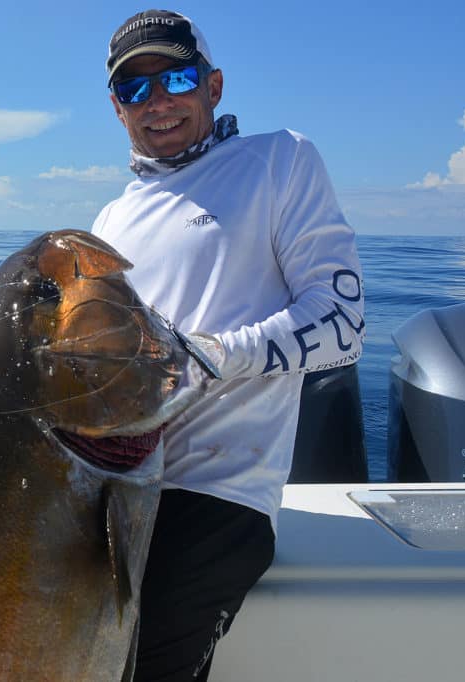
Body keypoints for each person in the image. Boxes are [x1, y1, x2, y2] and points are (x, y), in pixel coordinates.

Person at [92, 10, 366, 681]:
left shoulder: (279, 160)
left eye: (176, 77)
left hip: (216, 495)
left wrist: (206, 356)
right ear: (116, 108)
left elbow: (342, 323)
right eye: (135, 89)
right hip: (111, 494)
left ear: (214, 86)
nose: (157, 101)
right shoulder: (109, 221)